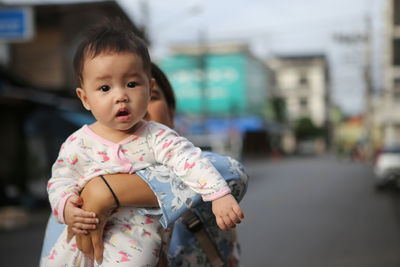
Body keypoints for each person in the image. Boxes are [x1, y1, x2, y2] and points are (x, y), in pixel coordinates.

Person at [44, 20, 243, 267]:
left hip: (135, 242)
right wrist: (67, 206)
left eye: (132, 84)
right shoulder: (77, 143)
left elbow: (192, 161)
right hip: (78, 244)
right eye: (105, 88)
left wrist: (219, 194)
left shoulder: (157, 138)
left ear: (150, 91)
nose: (121, 96)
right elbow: (60, 180)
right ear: (85, 98)